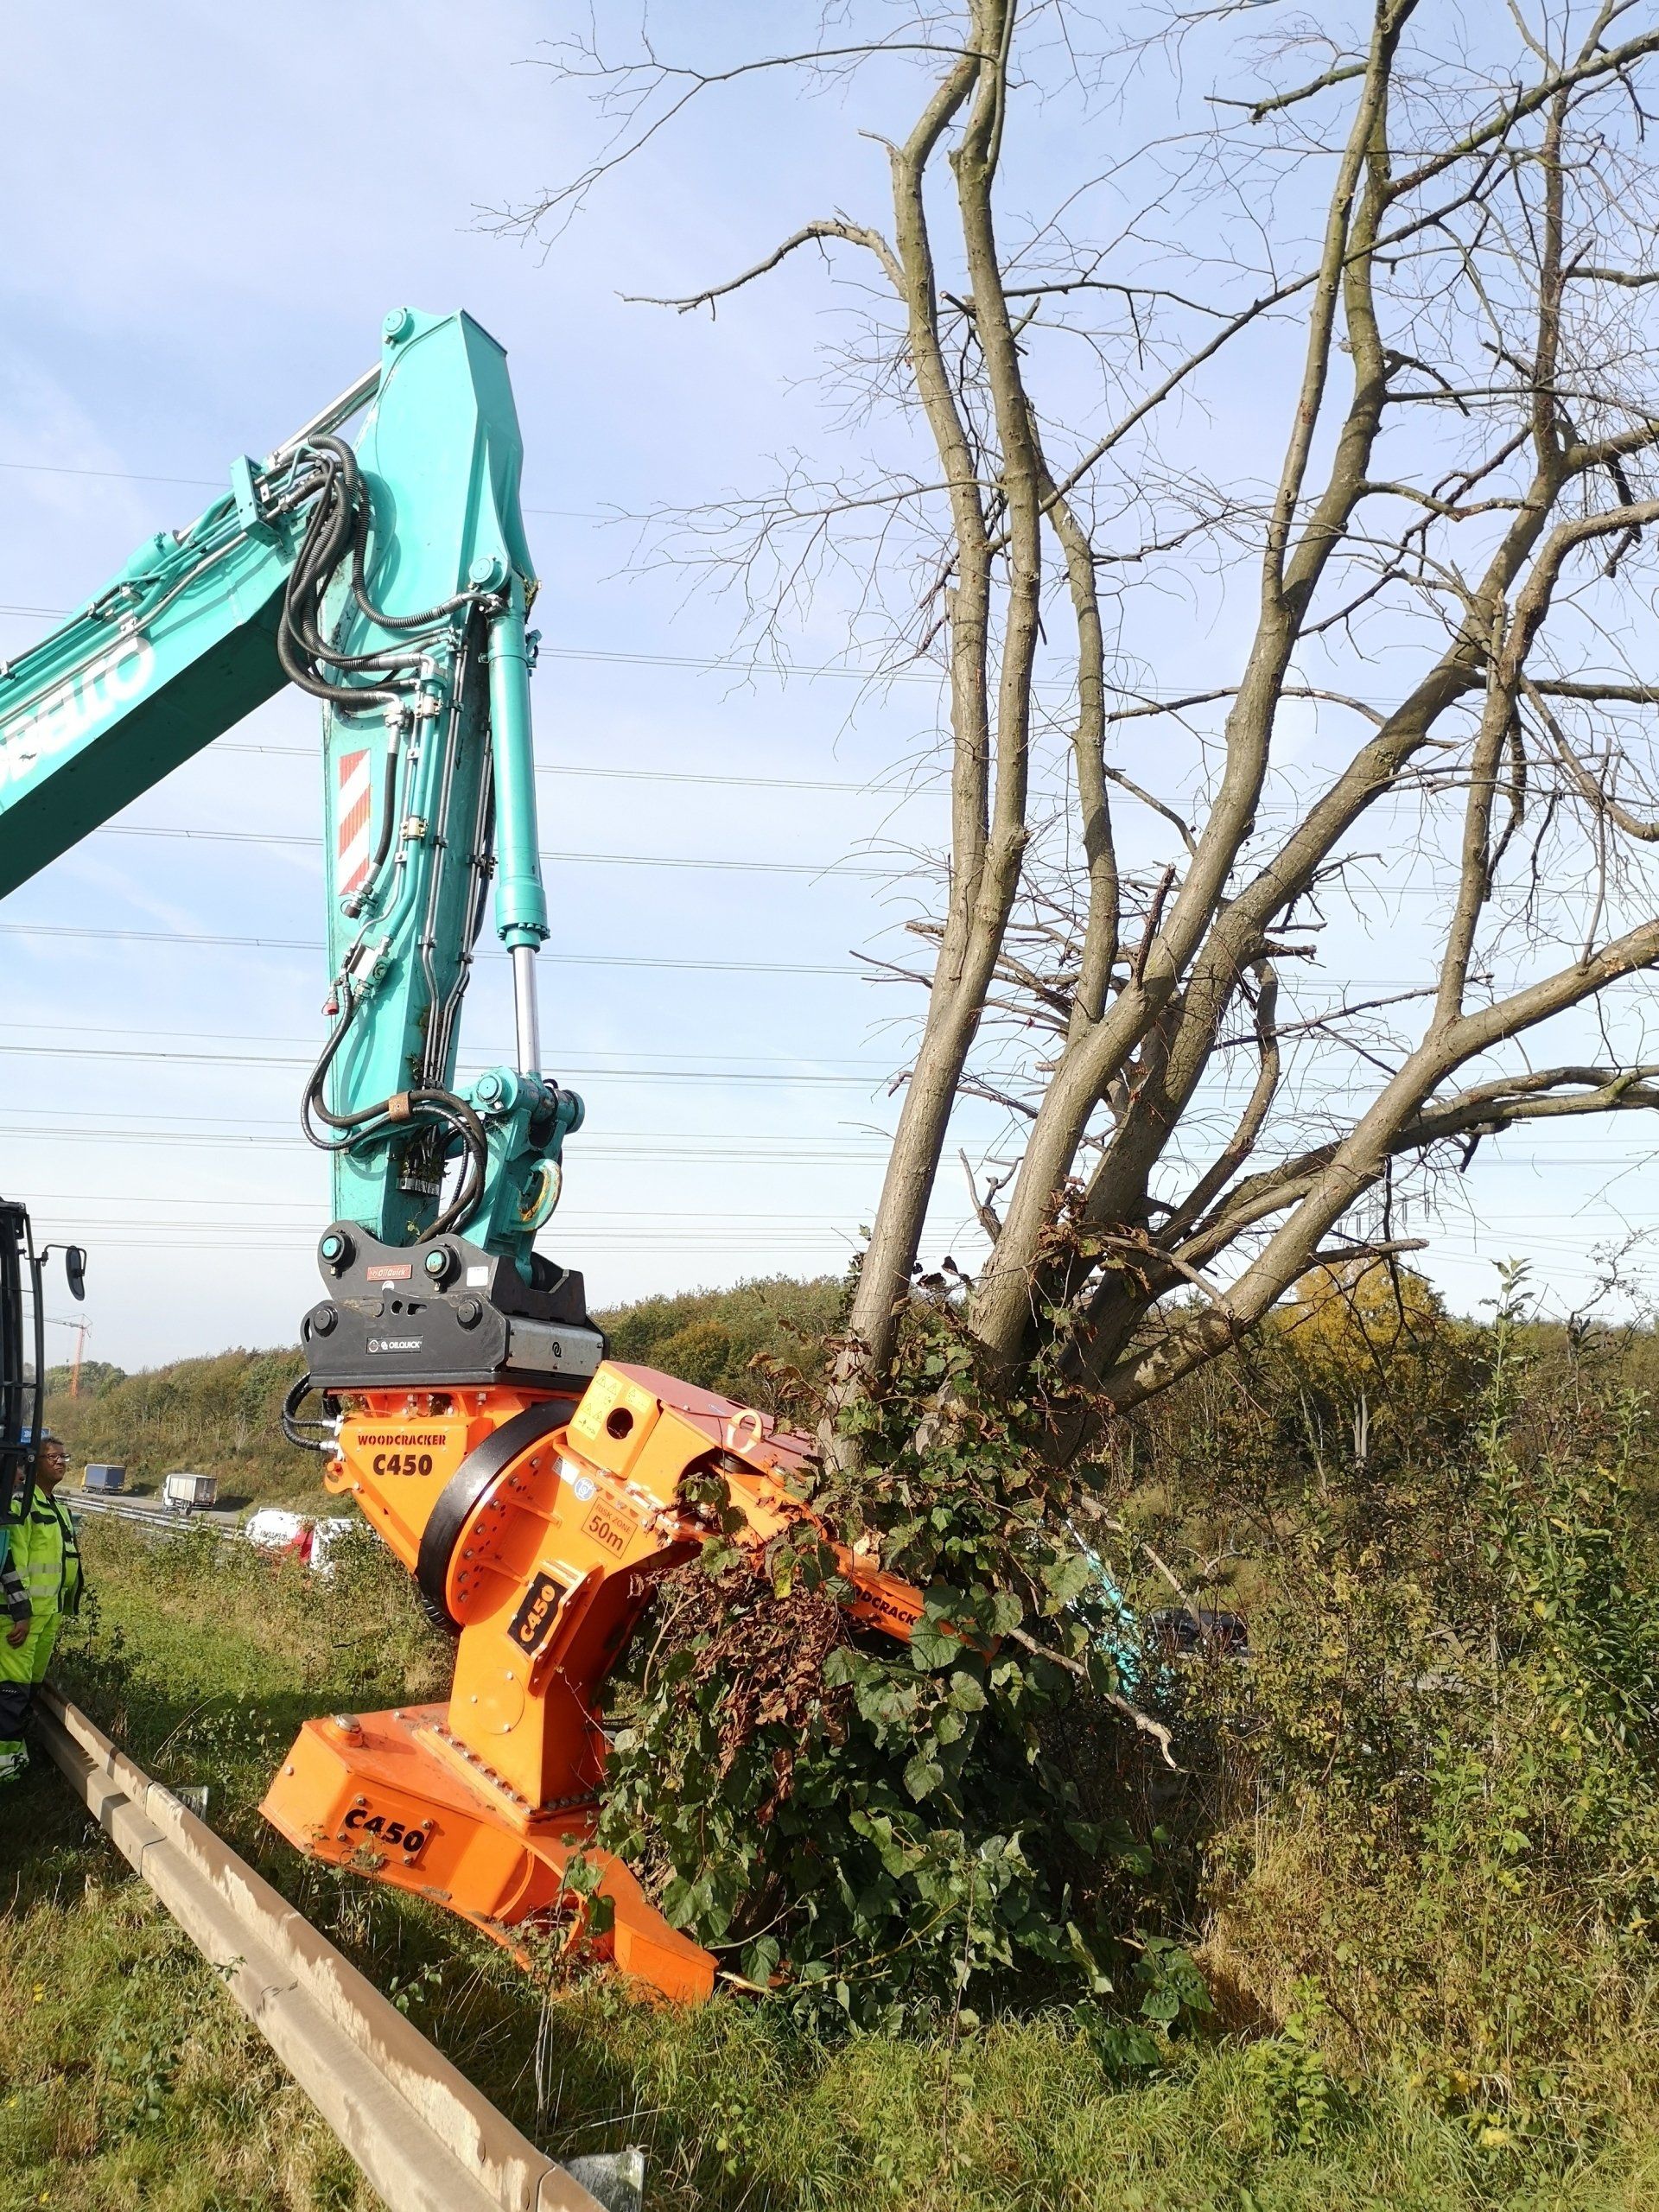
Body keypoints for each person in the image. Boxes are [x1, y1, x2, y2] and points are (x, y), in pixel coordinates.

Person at [0, 1433, 83, 1784]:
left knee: (30, 1687)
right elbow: (9, 1558)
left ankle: (16, 1750)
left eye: (65, 1456)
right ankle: (5, 1766)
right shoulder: (21, 1504)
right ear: (33, 1462)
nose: (61, 1462)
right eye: (53, 1457)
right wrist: (21, 1610)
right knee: (11, 1687)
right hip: (20, 1617)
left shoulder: (58, 1508)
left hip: (48, 1614)